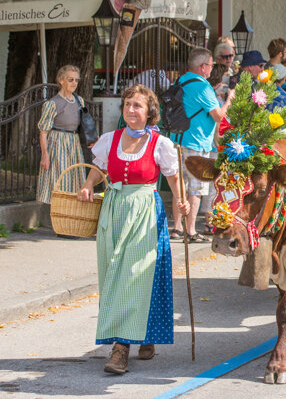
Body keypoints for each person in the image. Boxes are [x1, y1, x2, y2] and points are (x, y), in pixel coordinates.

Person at [77, 84, 190, 375]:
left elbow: (172, 176)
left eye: (137, 105)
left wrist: (180, 200)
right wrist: (89, 185)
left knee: (136, 275)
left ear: (150, 111)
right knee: (113, 275)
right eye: (127, 104)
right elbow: (100, 168)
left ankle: (120, 349)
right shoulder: (110, 139)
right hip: (113, 210)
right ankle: (143, 335)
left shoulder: (159, 143)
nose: (130, 110)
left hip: (144, 212)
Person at [171, 48, 233, 242]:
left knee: (179, 185)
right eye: (211, 65)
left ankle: (176, 227)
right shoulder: (202, 86)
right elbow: (218, 115)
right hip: (196, 142)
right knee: (196, 189)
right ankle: (190, 231)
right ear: (203, 66)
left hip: (177, 139)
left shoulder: (181, 81)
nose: (212, 68)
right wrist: (230, 98)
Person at [37, 65, 86, 205]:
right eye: (71, 79)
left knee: (75, 178)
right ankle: (58, 215)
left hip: (74, 142)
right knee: (59, 178)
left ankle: (71, 213)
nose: (74, 83)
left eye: (77, 80)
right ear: (61, 80)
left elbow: (85, 124)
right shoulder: (52, 104)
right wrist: (45, 155)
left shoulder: (79, 101)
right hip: (58, 143)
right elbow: (43, 131)